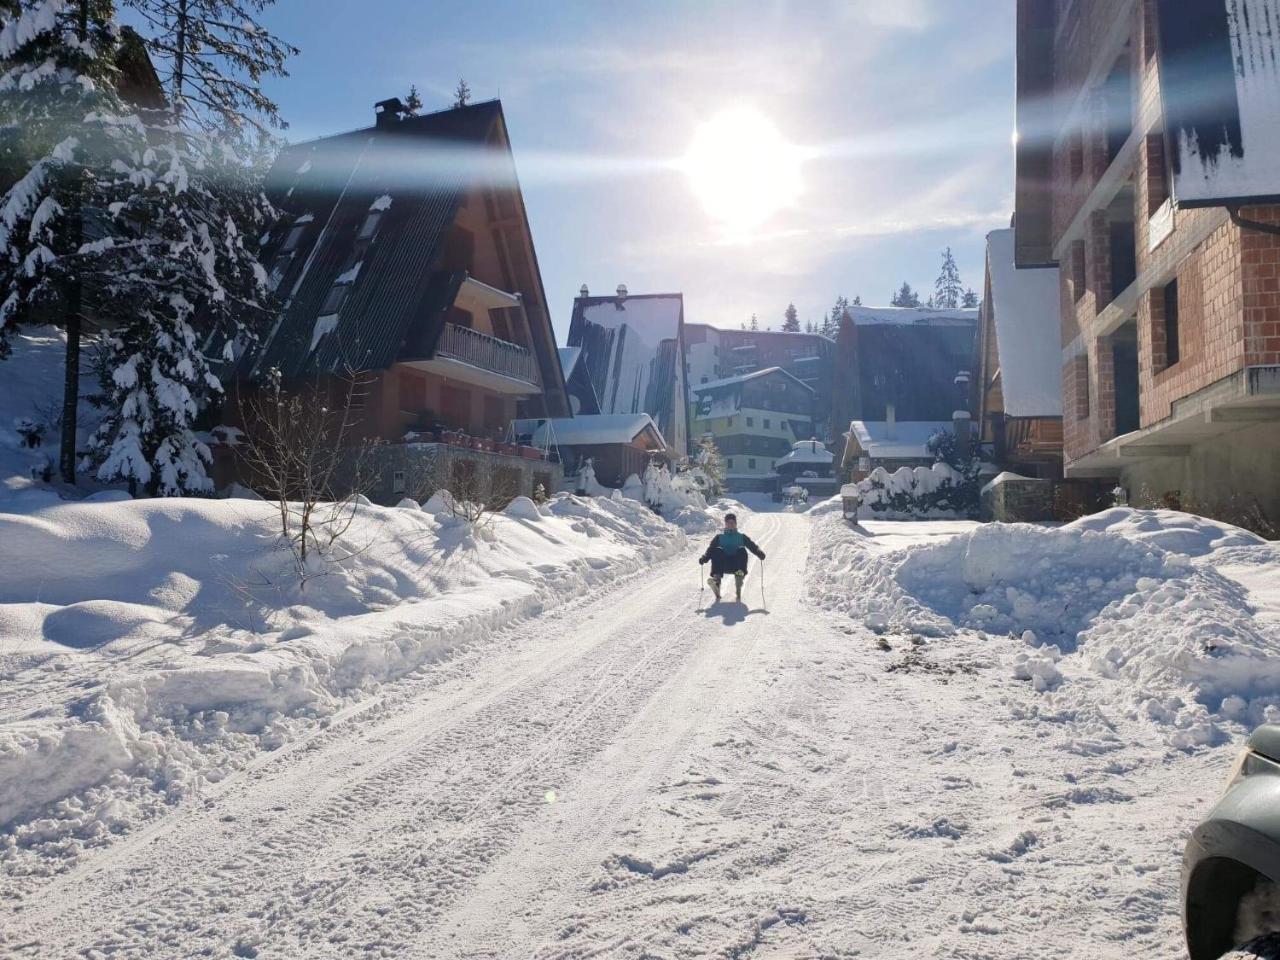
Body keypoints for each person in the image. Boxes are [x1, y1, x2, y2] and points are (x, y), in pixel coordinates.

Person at [699, 513, 765, 602]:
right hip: (723, 565)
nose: (731, 524)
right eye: (728, 522)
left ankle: (739, 580)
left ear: (735, 524)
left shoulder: (741, 537)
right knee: (717, 550)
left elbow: (752, 546)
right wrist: (704, 558)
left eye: (732, 522)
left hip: (737, 565)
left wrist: (759, 553)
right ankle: (717, 582)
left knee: (742, 550)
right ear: (725, 524)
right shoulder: (719, 537)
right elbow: (710, 550)